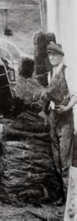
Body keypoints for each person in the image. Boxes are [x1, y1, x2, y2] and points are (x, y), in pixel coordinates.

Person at [41, 42, 76, 203]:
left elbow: (75, 94)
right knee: (56, 158)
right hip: (54, 117)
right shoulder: (50, 74)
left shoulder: (68, 71)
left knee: (65, 160)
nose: (52, 57)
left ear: (61, 56)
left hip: (65, 118)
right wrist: (46, 110)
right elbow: (49, 97)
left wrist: (67, 107)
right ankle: (63, 196)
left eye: (55, 54)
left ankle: (70, 199)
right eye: (49, 55)